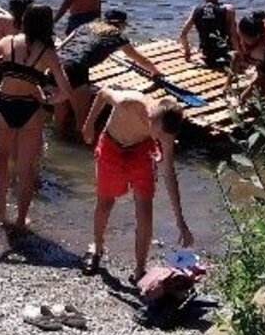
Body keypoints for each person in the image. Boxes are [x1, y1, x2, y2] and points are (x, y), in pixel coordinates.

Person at [0, 3, 73, 229]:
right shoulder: (48, 53)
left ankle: (1, 210)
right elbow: (66, 92)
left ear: (25, 20)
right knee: (26, 169)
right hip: (30, 108)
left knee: (0, 161)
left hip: (4, 105)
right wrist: (47, 99)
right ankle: (20, 219)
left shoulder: (7, 42)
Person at [81, 88, 193, 281]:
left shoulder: (165, 131)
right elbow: (102, 93)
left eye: (162, 137)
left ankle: (140, 269)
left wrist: (180, 221)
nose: (159, 139)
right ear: (151, 118)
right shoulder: (129, 102)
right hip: (112, 147)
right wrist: (89, 124)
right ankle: (97, 248)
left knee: (145, 210)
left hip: (141, 153)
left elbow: (169, 174)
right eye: (156, 134)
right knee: (105, 203)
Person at [54, 10, 163, 138]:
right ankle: (79, 148)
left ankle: (57, 137)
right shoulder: (116, 35)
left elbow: (61, 47)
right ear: (121, 24)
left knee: (59, 112)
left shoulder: (85, 26)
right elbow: (139, 59)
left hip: (57, 64)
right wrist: (156, 72)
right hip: (76, 68)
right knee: (82, 118)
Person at [178, 0, 236, 68]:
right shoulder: (228, 10)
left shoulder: (197, 10)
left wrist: (187, 51)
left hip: (207, 58)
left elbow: (183, 34)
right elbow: (233, 36)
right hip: (225, 58)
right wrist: (239, 55)